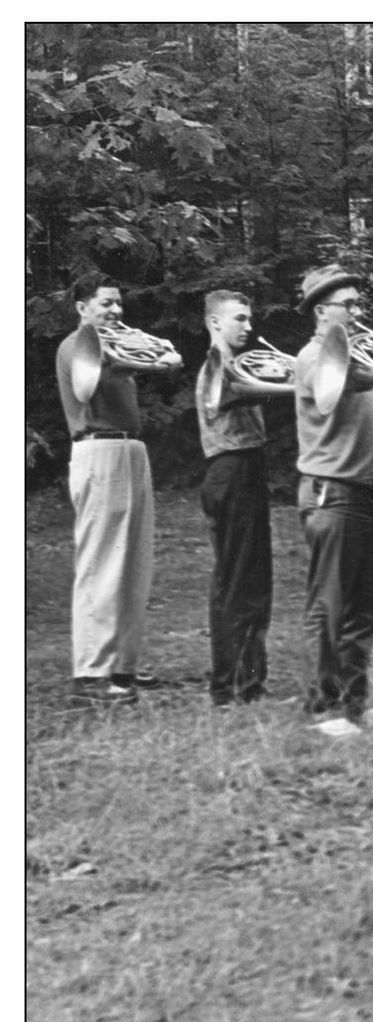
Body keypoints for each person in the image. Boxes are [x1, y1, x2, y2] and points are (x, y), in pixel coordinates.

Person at [292, 264, 373, 737]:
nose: (360, 312)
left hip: (366, 493)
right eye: (350, 305)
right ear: (323, 311)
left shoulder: (360, 358)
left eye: (361, 304)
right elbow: (345, 386)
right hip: (332, 493)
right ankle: (323, 709)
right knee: (330, 605)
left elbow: (372, 435)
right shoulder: (312, 358)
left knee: (366, 606)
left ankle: (355, 703)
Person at [55, 275, 158, 705]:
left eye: (118, 304)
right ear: (82, 308)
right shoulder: (76, 345)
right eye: (105, 304)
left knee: (134, 562)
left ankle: (122, 666)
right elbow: (86, 388)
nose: (115, 311)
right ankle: (91, 675)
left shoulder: (118, 343)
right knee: (101, 562)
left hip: (130, 449)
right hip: (98, 450)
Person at [194, 290, 276, 707]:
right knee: (238, 580)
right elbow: (236, 392)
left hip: (243, 467)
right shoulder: (217, 364)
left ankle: (246, 682)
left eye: (249, 318)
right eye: (239, 319)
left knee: (249, 579)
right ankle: (232, 686)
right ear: (215, 323)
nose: (248, 326)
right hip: (231, 469)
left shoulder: (234, 364)